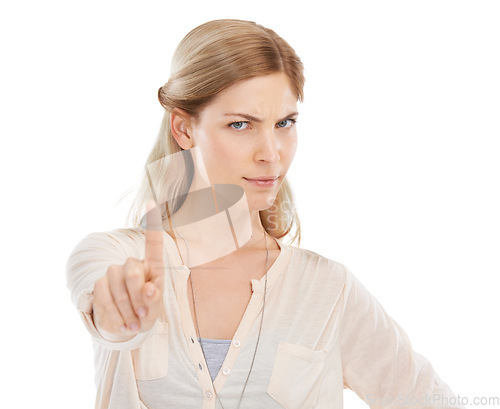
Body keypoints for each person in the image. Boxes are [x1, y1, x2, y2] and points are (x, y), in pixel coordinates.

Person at [66, 19, 465, 409]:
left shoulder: (326, 290)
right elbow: (103, 301)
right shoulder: (116, 255)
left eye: (284, 123)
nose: (271, 153)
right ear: (184, 129)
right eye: (240, 124)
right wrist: (120, 315)